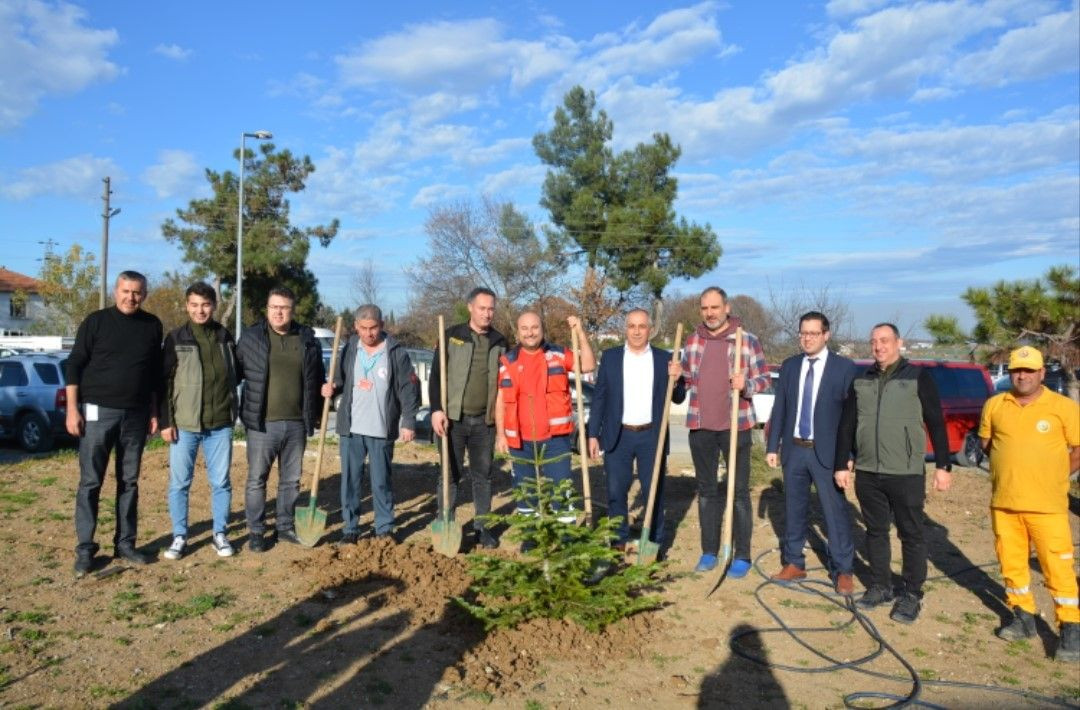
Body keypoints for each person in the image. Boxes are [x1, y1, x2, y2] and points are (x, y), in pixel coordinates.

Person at [834, 323, 951, 624]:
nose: (879, 346)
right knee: (875, 531)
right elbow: (847, 424)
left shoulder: (917, 377)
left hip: (906, 471)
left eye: (885, 340)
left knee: (911, 533)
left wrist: (943, 466)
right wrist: (841, 463)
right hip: (868, 470)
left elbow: (936, 422)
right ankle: (881, 586)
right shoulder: (862, 380)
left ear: (899, 342)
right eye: (874, 341)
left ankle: (911, 593)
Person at [978, 346, 1079, 662]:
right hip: (1005, 504)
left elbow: (1078, 449)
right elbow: (987, 443)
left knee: (1057, 567)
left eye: (1029, 370)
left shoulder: (1063, 407)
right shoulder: (995, 404)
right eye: (1016, 371)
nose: (1022, 376)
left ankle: (1071, 628)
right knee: (1012, 564)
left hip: (1047, 506)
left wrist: (1055, 475)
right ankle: (1023, 617)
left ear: (1042, 373)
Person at [66, 271, 163, 575]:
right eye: (125, 291)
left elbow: (154, 374)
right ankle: (85, 549)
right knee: (91, 482)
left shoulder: (152, 325)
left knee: (129, 482)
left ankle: (125, 543)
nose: (130, 297)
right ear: (115, 291)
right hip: (97, 412)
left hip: (135, 415)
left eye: (137, 292)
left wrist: (154, 411)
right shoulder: (96, 322)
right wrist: (72, 409)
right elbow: (74, 364)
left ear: (144, 294)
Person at [679, 287, 770, 575]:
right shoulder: (693, 341)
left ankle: (742, 554)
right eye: (705, 308)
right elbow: (684, 382)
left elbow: (764, 379)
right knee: (707, 492)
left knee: (739, 492)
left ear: (726, 308)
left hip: (736, 426)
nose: (710, 313)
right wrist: (676, 378)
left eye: (715, 307)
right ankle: (709, 551)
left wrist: (747, 385)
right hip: (700, 426)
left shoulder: (747, 340)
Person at [765, 311, 857, 594]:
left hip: (827, 454)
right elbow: (780, 407)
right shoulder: (791, 366)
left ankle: (843, 569)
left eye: (813, 333)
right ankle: (794, 562)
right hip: (794, 450)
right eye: (803, 333)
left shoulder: (844, 368)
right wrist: (773, 446)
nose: (807, 339)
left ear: (826, 335)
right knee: (794, 509)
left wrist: (848, 456)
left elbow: (852, 416)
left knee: (834, 512)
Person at [587, 308, 685, 550]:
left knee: (654, 492)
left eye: (642, 326)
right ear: (625, 329)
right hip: (618, 435)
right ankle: (619, 541)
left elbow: (679, 398)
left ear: (650, 330)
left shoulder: (664, 359)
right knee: (615, 492)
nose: (637, 331)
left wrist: (677, 379)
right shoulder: (610, 358)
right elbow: (599, 398)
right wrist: (592, 434)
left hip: (652, 436)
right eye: (632, 326)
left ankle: (653, 543)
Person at [235, 286, 324, 551]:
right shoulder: (251, 338)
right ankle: (256, 531)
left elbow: (317, 379)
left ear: (293, 310)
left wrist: (321, 403)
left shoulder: (307, 340)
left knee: (291, 480)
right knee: (257, 479)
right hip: (262, 423)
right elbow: (233, 374)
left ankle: (284, 526)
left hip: (297, 423)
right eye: (274, 307)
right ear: (267, 309)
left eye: (284, 307)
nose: (278, 312)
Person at [322, 304, 421, 543]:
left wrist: (408, 421)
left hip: (381, 429)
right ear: (356, 327)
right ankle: (350, 528)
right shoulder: (349, 349)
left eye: (373, 328)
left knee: (381, 482)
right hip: (351, 429)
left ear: (382, 325)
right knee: (350, 481)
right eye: (364, 328)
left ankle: (384, 528)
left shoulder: (396, 352)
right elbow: (339, 379)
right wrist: (330, 386)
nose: (369, 333)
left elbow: (408, 388)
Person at [159, 282, 240, 560]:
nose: (200, 310)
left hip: (220, 424)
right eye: (194, 305)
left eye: (205, 305)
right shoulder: (176, 338)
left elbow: (235, 374)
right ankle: (180, 535)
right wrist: (166, 421)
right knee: (179, 483)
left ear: (214, 306)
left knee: (221, 482)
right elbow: (164, 382)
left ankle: (220, 533)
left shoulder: (224, 336)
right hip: (185, 425)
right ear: (186, 306)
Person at [495, 312, 595, 521]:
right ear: (517, 332)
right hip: (520, 443)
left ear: (542, 329)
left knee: (561, 493)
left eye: (535, 327)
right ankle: (531, 535)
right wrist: (501, 435)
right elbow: (501, 400)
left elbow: (588, 365)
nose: (530, 333)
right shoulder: (507, 362)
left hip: (555, 441)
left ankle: (565, 537)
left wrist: (580, 333)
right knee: (526, 497)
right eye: (524, 328)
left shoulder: (558, 355)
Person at [429, 287, 508, 549]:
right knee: (449, 475)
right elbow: (436, 376)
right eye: (482, 308)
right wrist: (436, 409)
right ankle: (446, 522)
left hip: (485, 423)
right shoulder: (452, 336)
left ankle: (482, 528)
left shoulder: (499, 341)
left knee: (482, 477)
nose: (487, 313)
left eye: (491, 309)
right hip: (453, 421)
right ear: (470, 307)